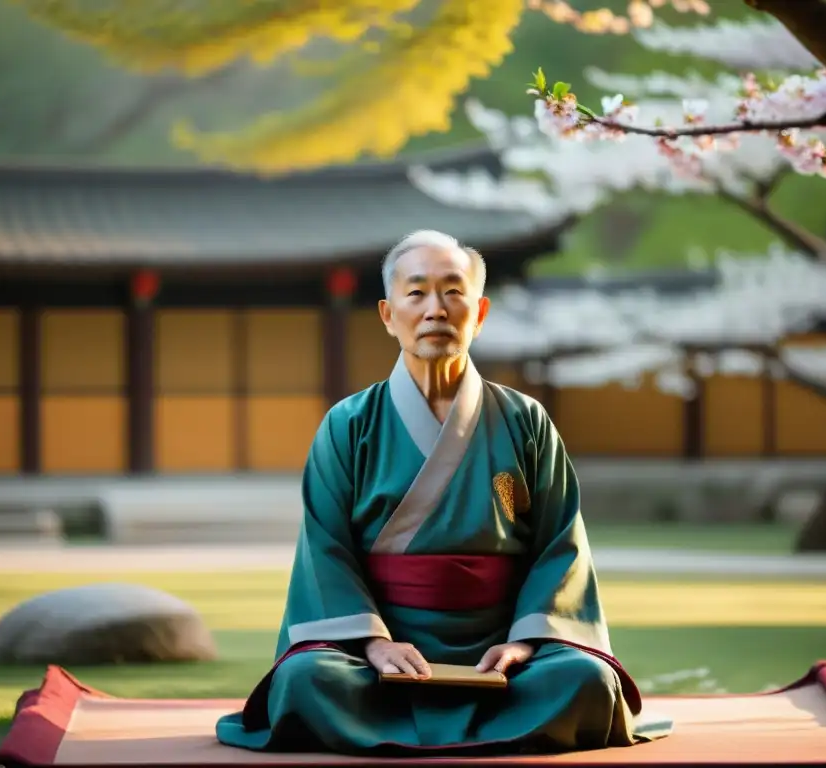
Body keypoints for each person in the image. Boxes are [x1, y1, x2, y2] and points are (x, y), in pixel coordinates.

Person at [216, 230, 667, 756]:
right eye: (416, 293)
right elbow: (326, 549)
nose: (436, 310)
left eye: (454, 292)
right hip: (377, 655)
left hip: (501, 652)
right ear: (388, 314)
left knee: (584, 679)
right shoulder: (349, 424)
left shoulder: (526, 422)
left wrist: (525, 641)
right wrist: (374, 644)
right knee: (308, 680)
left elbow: (558, 545)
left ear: (479, 313)